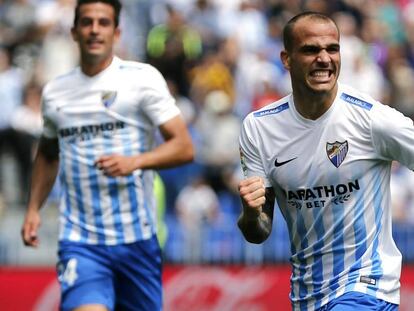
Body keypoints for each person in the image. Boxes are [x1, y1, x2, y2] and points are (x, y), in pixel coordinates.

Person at [21, 1, 194, 310]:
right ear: (74, 32)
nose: (94, 30)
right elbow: (48, 154)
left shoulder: (142, 79)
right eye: (87, 22)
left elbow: (183, 146)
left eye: (103, 23)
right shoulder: (56, 92)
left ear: (116, 32)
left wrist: (136, 162)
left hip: (137, 239)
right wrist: (33, 207)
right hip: (81, 241)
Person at [238, 11, 414, 311]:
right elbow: (259, 231)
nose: (324, 58)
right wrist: (251, 214)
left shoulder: (373, 119)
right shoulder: (259, 128)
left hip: (367, 288)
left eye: (332, 49)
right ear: (286, 58)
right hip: (306, 295)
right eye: (310, 50)